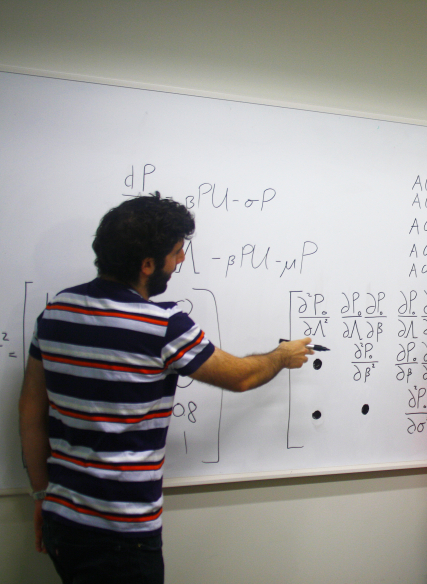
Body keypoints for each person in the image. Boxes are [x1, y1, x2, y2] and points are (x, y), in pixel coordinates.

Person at [18, 192, 313, 584]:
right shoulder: (162, 325)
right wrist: (281, 356)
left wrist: (40, 495)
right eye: (176, 253)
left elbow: (30, 412)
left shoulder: (54, 313)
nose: (180, 261)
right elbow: (241, 376)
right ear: (147, 265)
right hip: (123, 535)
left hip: (63, 521)